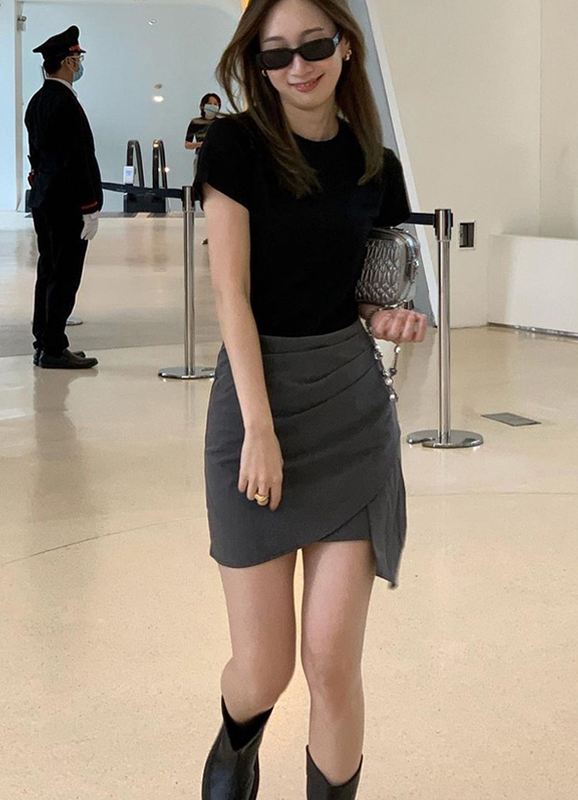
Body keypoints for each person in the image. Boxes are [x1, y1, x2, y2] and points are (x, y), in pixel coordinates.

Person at [194, 0, 426, 798]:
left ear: (345, 46)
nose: (298, 66)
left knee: (331, 663)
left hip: (350, 415)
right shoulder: (235, 147)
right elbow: (231, 294)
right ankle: (236, 742)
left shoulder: (374, 164)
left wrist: (383, 314)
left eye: (314, 45)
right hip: (256, 402)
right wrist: (258, 429)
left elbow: (367, 286)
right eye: (275, 54)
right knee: (265, 669)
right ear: (256, 64)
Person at [25, 25, 101, 369]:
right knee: (65, 275)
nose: (80, 64)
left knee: (49, 270)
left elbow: (38, 155)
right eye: (78, 58)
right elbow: (76, 158)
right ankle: (54, 347)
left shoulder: (38, 101)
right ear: (69, 61)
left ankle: (44, 340)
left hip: (44, 197)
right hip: (66, 202)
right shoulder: (64, 102)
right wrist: (89, 206)